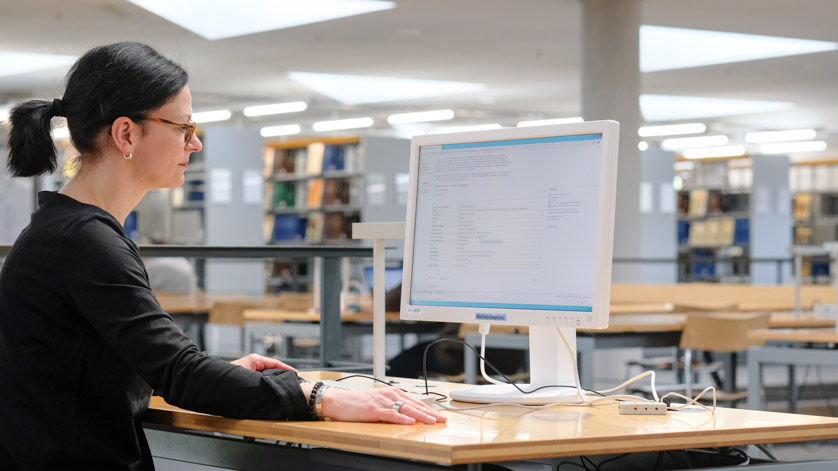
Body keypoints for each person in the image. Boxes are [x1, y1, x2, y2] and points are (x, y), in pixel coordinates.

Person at [0, 42, 444, 471]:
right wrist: (319, 396)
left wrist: (222, 373)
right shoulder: (83, 241)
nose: (194, 145)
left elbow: (115, 366)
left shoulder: (65, 231)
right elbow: (180, 375)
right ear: (126, 133)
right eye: (184, 129)